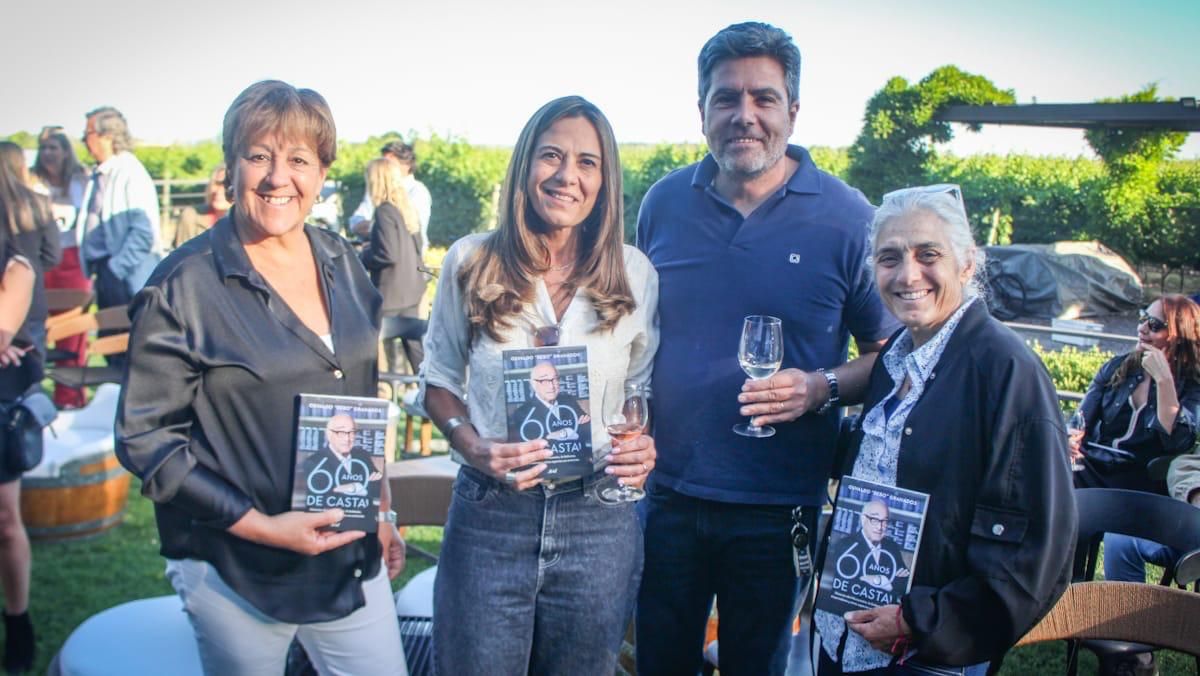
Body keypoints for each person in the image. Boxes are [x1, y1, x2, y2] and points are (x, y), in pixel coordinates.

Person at [115, 80, 407, 675]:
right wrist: (267, 529)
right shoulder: (183, 285)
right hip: (235, 570)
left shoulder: (342, 262)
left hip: (346, 556)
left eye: (299, 159)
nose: (279, 177)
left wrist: (379, 507)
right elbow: (147, 440)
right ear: (231, 167)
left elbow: (359, 391)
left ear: (322, 174)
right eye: (259, 156)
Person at [634, 22, 899, 676]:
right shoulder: (663, 204)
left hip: (779, 509)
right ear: (701, 112)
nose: (743, 115)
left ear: (793, 111)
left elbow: (891, 354)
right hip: (665, 496)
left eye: (763, 98)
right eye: (726, 98)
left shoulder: (848, 217)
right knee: (659, 663)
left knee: (759, 666)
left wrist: (821, 388)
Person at [419, 95, 659, 675]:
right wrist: (471, 444)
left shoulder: (635, 273)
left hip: (598, 518)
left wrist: (640, 441)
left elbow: (637, 391)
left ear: (605, 181)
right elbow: (438, 381)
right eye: (551, 155)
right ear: (525, 166)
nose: (567, 175)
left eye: (587, 162)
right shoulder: (470, 261)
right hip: (491, 515)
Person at [813, 184, 1076, 674]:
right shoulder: (894, 358)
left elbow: (1036, 546)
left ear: (967, 263)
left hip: (925, 654)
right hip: (845, 634)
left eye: (927, 254)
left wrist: (919, 620)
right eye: (889, 258)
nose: (908, 274)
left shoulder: (1006, 370)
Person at [0, 141, 53, 674]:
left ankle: (18, 620)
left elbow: (27, 277)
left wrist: (10, 334)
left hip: (4, 387)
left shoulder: (14, 248)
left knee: (5, 521)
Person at [1069, 294, 1200, 494]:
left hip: (1143, 480)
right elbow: (1080, 421)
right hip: (1095, 465)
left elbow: (1177, 443)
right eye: (1142, 318)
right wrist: (1069, 441)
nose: (1142, 328)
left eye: (1154, 325)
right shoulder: (1118, 367)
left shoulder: (1191, 384)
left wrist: (1164, 380)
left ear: (1179, 336)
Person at [78, 106, 162, 372]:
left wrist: (116, 268)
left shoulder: (129, 173)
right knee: (111, 349)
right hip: (107, 272)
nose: (84, 140)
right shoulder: (101, 173)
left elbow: (143, 232)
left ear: (106, 135)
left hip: (126, 277)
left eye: (88, 133)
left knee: (127, 350)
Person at [30, 127, 92, 408]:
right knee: (39, 326)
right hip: (42, 261)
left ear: (65, 151)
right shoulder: (32, 182)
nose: (48, 154)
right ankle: (33, 396)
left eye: (54, 148)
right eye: (44, 149)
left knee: (72, 328)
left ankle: (69, 398)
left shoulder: (81, 180)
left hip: (73, 258)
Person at [359, 157, 426, 373]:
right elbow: (416, 246)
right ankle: (426, 392)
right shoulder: (406, 209)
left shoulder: (384, 211)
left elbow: (387, 253)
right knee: (416, 351)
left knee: (378, 353)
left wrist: (364, 254)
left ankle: (383, 395)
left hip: (390, 293)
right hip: (412, 289)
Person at [349, 141, 433, 254]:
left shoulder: (417, 192)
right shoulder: (376, 189)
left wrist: (374, 227)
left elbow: (407, 229)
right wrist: (378, 227)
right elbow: (355, 221)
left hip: (405, 259)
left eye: (389, 163)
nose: (384, 168)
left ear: (406, 165)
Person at [827, 500, 911, 593]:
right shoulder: (845, 545)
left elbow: (905, 583)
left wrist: (878, 580)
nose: (880, 527)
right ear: (863, 520)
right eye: (874, 520)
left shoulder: (892, 547)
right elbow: (849, 583)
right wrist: (884, 581)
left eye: (885, 521)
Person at [302, 413, 384, 497]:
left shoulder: (363, 456)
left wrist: (351, 487)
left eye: (351, 432)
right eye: (341, 432)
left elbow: (378, 489)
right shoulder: (313, 462)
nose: (347, 439)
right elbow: (327, 496)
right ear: (328, 434)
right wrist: (358, 486)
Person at [510, 361, 591, 443]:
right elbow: (535, 445)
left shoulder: (569, 401)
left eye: (555, 379)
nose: (551, 386)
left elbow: (587, 430)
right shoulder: (522, 413)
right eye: (544, 381)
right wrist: (570, 432)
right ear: (533, 384)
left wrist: (553, 435)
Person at [171, 165, 231, 248]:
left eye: (225, 185)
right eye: (216, 184)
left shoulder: (245, 226)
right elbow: (179, 258)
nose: (217, 191)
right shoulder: (191, 216)